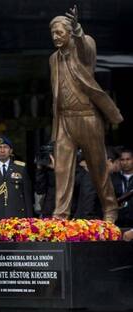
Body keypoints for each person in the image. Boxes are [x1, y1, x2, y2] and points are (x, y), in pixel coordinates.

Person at [49, 6, 123, 223]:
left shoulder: (83, 47)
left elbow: (86, 51)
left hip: (87, 117)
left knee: (98, 166)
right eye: (53, 33)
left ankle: (110, 208)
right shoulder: (53, 58)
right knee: (61, 169)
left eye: (60, 32)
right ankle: (61, 214)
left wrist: (78, 30)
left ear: (69, 32)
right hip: (64, 120)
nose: (55, 37)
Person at [113, 148, 133, 228]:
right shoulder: (113, 179)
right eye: (122, 160)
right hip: (117, 224)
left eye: (128, 159)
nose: (125, 162)